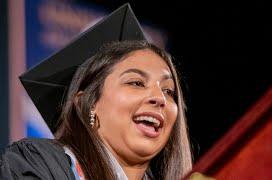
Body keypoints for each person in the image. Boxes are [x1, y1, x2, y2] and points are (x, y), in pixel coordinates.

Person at [0, 5, 192, 180]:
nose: (160, 98)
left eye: (168, 91)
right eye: (136, 82)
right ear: (88, 103)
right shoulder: (40, 165)